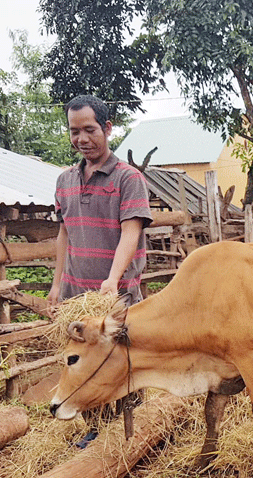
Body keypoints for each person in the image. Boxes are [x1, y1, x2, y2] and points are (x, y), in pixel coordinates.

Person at [49, 94, 153, 447]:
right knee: (83, 365)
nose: (82, 139)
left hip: (114, 297)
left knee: (120, 364)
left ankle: (130, 434)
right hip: (76, 296)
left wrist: (112, 279)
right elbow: (63, 232)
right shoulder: (64, 181)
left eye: (90, 129)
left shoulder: (128, 179)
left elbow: (131, 230)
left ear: (107, 129)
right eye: (74, 131)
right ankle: (94, 428)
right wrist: (56, 283)